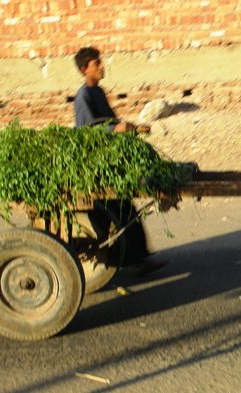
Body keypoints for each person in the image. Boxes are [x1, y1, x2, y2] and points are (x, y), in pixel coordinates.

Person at [73, 46, 162, 277]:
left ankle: (139, 257)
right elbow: (88, 132)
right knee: (120, 210)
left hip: (110, 159)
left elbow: (110, 121)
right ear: (85, 69)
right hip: (97, 165)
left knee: (126, 208)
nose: (102, 66)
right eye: (96, 64)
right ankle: (133, 260)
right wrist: (116, 129)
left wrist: (128, 127)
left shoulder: (98, 92)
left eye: (100, 62)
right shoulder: (83, 96)